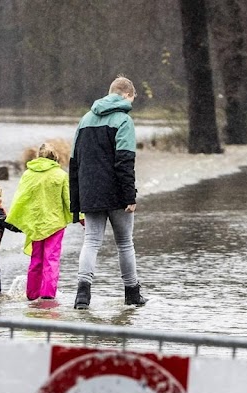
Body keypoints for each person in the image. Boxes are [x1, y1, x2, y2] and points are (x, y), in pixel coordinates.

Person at [69, 75, 148, 310]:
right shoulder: (124, 120)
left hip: (90, 192)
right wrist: (129, 196)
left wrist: (76, 203)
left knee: (91, 241)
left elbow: (74, 163)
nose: (132, 103)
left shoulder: (84, 120)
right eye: (132, 98)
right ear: (126, 94)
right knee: (125, 243)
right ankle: (132, 293)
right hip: (116, 193)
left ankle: (82, 295)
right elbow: (125, 161)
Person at [6, 142, 73, 301]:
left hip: (35, 224)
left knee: (36, 260)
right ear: (55, 157)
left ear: (38, 156)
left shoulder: (28, 174)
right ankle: (48, 295)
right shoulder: (61, 175)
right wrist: (81, 218)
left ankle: (32, 294)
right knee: (51, 259)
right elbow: (69, 200)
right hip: (55, 224)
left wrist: (13, 219)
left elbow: (20, 198)